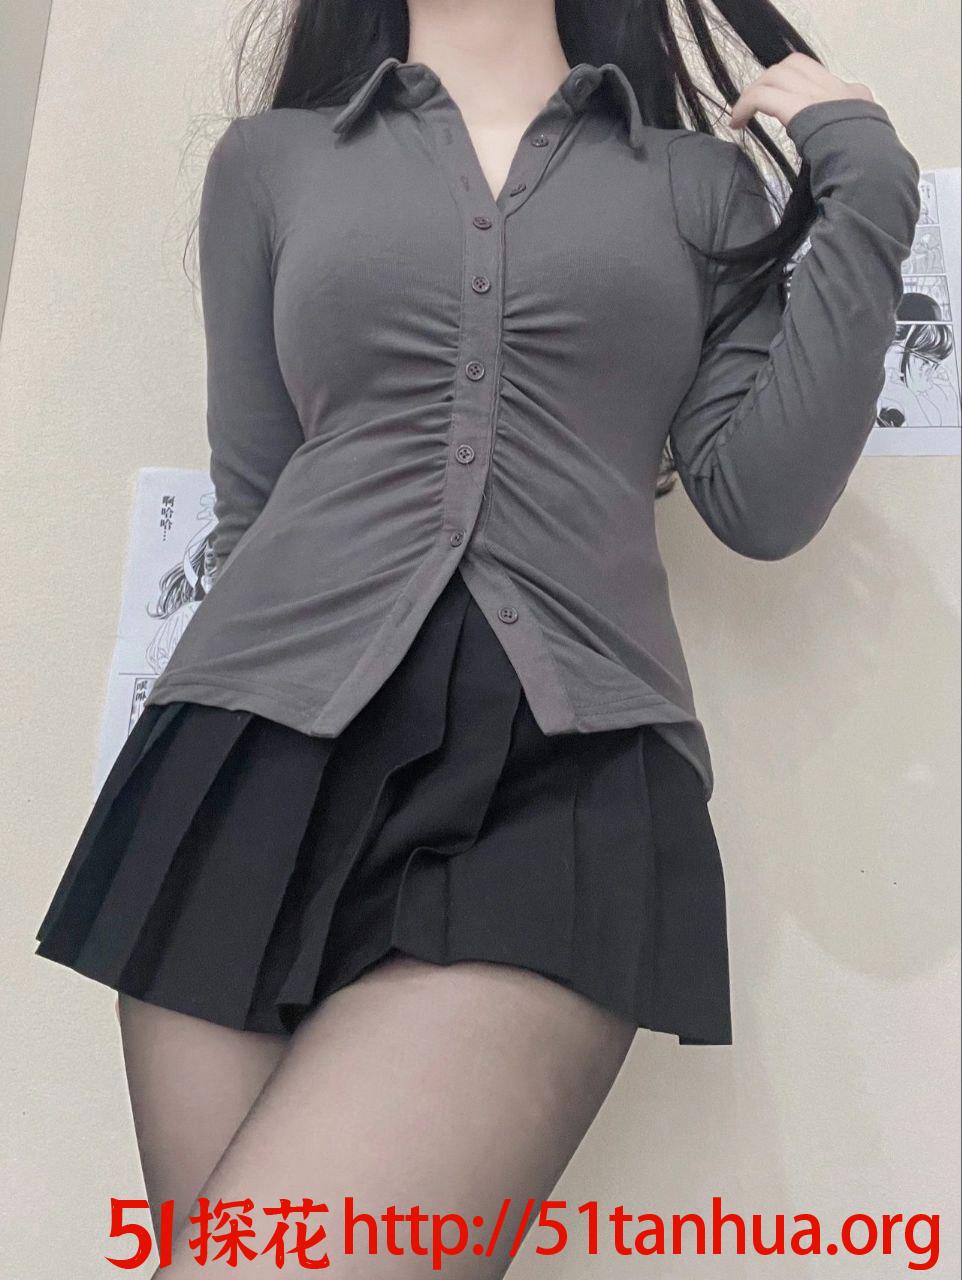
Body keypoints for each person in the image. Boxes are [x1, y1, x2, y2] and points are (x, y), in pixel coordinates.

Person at [34, 1, 922, 1275]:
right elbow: (255, 504)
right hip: (239, 770)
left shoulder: (696, 186)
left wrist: (865, 179)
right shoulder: (267, 163)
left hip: (557, 772)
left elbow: (761, 502)